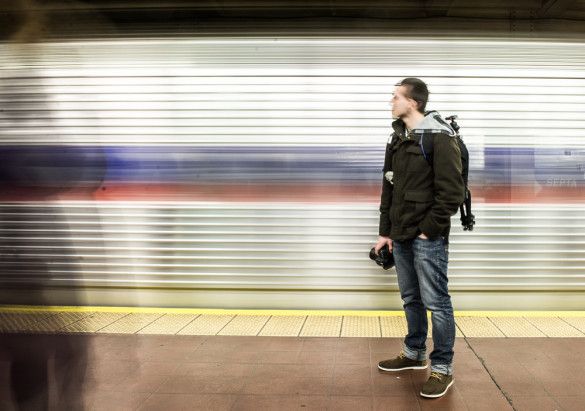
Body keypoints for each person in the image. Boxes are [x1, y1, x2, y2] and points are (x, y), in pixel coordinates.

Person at [374, 78, 464, 398]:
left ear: (413, 102)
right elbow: (389, 188)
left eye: (395, 96)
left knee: (437, 302)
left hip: (427, 237)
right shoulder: (397, 137)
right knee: (411, 298)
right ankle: (414, 353)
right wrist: (386, 232)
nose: (391, 101)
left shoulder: (440, 136)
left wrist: (429, 230)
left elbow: (451, 192)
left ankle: (442, 368)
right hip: (400, 235)